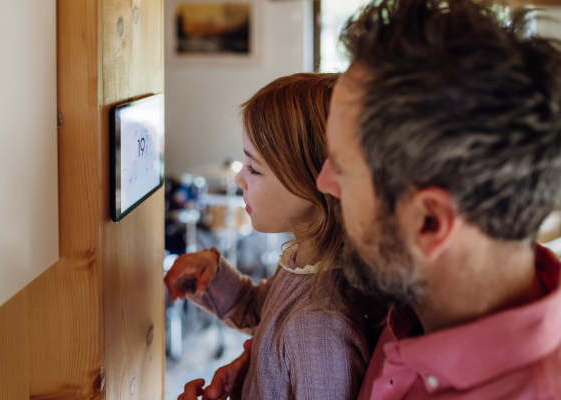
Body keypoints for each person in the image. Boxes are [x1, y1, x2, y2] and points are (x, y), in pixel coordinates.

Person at [182, 0, 561, 398]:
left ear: (428, 223)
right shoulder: (410, 293)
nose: (323, 184)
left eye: (343, 168)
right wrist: (258, 368)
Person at [166, 73, 387, 400]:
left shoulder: (317, 329)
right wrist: (215, 276)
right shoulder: (309, 262)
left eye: (254, 169)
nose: (240, 177)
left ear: (316, 181)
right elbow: (265, 312)